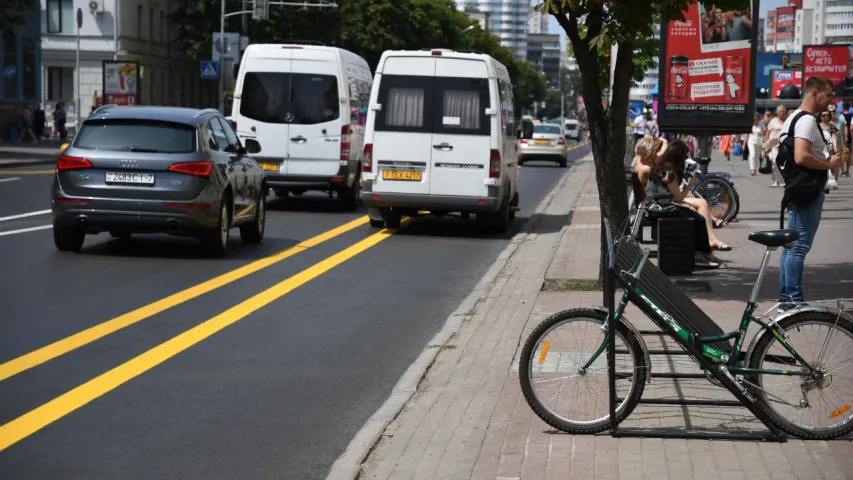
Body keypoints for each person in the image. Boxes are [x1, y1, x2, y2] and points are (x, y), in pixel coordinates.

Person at [777, 76, 848, 312]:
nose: (831, 101)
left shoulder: (792, 118)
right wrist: (829, 164)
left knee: (791, 247)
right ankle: (793, 302)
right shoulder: (806, 121)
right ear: (814, 93)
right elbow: (801, 156)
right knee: (798, 246)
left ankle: (787, 299)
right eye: (828, 95)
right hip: (807, 191)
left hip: (798, 189)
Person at [645, 141, 724, 269]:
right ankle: (703, 253)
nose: (686, 160)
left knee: (695, 216)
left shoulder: (660, 168)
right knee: (699, 219)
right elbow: (679, 198)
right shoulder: (670, 173)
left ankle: (703, 253)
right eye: (685, 157)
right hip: (661, 209)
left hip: (654, 207)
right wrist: (690, 185)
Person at [763, 104, 788, 187]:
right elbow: (768, 133)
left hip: (784, 144)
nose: (781, 113)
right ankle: (775, 180)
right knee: (775, 162)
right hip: (774, 144)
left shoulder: (788, 120)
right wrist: (766, 144)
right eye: (780, 112)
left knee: (783, 163)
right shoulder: (773, 121)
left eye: (783, 112)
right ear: (777, 112)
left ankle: (781, 180)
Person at [819, 110, 840, 191]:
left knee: (831, 166)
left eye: (827, 115)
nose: (826, 117)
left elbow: (834, 137)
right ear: (820, 117)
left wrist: (835, 147)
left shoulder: (832, 125)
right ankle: (824, 182)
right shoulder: (817, 126)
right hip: (820, 148)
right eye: (824, 115)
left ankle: (829, 181)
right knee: (823, 165)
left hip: (829, 147)